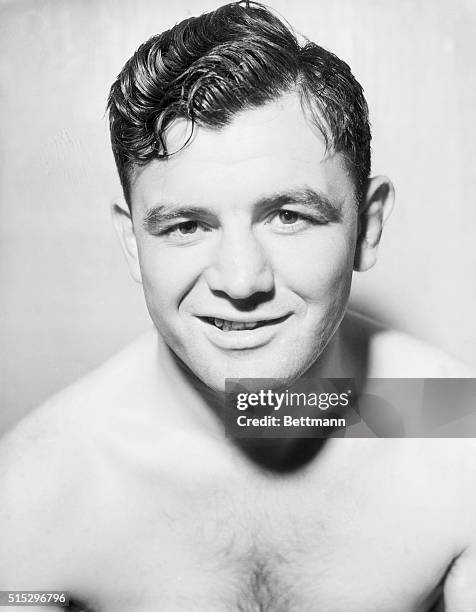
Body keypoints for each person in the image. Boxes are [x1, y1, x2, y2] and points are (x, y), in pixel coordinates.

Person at [1, 2, 475, 611]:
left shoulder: (457, 430)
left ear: (368, 227)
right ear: (132, 243)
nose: (241, 279)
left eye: (288, 215)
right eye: (185, 226)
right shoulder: (39, 490)